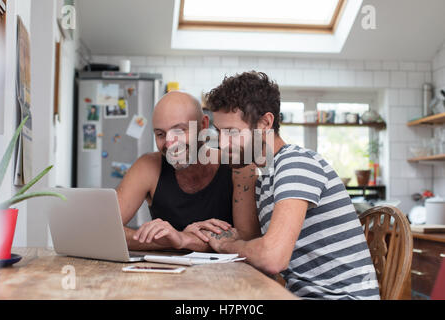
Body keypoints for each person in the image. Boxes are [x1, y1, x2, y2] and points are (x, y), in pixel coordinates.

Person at [200, 71, 380, 300]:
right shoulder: (266, 177)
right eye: (219, 132)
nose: (223, 143)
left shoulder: (295, 163)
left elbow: (272, 257)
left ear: (265, 123)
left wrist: (226, 247)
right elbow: (261, 248)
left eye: (231, 132)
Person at [116, 91, 260, 252]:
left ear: (204, 125)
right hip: (165, 273)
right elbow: (105, 229)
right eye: (160, 134)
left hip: (227, 275)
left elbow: (248, 239)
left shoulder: (240, 167)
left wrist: (183, 239)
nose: (170, 143)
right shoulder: (148, 166)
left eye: (179, 130)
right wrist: (174, 239)